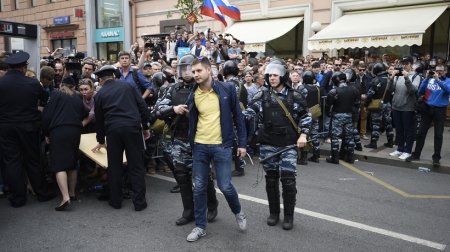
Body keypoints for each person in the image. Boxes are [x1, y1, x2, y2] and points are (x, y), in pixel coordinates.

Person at [186, 57, 247, 242]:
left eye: (198, 71)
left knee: (225, 185)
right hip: (200, 146)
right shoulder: (193, 93)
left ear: (209, 71)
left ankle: (238, 212)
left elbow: (238, 117)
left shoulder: (227, 89)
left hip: (222, 145)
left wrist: (242, 144)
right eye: (193, 71)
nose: (195, 74)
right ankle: (200, 226)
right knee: (199, 187)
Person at [244, 61, 311, 230]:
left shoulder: (294, 96)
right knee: (271, 180)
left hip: (288, 144)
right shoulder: (261, 95)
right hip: (268, 144)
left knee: (288, 181)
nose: (272, 78)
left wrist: (303, 134)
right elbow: (249, 112)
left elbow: (306, 117)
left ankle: (289, 216)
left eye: (275, 75)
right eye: (269, 75)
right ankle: (274, 213)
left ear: (282, 76)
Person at [156, 54, 218, 226]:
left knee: (203, 177)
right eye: (183, 69)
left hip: (201, 140)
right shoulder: (173, 89)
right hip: (179, 140)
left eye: (190, 69)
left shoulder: (206, 88)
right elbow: (157, 110)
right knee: (182, 176)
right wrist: (173, 109)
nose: (187, 72)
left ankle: (212, 206)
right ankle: (188, 211)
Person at [91, 65, 151, 211]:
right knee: (136, 166)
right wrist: (146, 126)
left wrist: (100, 140)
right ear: (114, 76)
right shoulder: (128, 86)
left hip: (113, 131)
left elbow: (99, 120)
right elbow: (142, 106)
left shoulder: (99, 94)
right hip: (132, 128)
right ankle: (139, 203)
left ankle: (116, 201)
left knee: (114, 167)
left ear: (100, 79)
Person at [0, 52, 56, 208]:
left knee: (12, 162)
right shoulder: (31, 84)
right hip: (28, 127)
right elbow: (44, 100)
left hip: (6, 128)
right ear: (24, 67)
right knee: (32, 160)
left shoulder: (1, 83)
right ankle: (42, 193)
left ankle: (18, 198)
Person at [42, 77, 87, 211]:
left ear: (62, 85)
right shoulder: (77, 97)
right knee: (72, 163)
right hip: (75, 131)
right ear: (73, 87)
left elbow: (47, 116)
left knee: (59, 165)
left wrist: (46, 133)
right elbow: (83, 114)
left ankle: (65, 197)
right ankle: (72, 193)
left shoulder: (55, 94)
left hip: (58, 131)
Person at [407, 64, 450, 168]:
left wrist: (438, 80)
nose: (438, 72)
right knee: (421, 133)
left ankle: (436, 158)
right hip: (428, 108)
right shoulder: (430, 80)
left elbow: (448, 90)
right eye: (437, 70)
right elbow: (420, 91)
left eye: (441, 71)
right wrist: (426, 78)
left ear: (445, 71)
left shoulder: (447, 80)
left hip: (440, 110)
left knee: (438, 135)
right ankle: (416, 154)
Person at [388, 56, 421, 160]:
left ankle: (407, 151)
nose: (404, 66)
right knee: (399, 129)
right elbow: (390, 89)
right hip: (396, 106)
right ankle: (400, 149)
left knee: (408, 130)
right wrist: (391, 78)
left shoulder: (416, 76)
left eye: (406, 64)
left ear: (411, 64)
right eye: (403, 63)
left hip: (408, 108)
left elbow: (412, 90)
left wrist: (407, 77)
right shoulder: (398, 75)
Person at [326, 71, 360, 164]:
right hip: (349, 115)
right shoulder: (354, 90)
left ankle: (335, 157)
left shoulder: (334, 91)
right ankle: (350, 157)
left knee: (335, 137)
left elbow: (328, 105)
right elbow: (357, 104)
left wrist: (329, 113)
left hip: (337, 115)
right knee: (349, 136)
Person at [223, 60, 248, 176]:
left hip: (231, 116)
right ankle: (239, 166)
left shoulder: (228, 84)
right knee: (238, 141)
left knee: (235, 141)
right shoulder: (241, 84)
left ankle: (239, 168)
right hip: (241, 114)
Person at [364, 63, 394, 149]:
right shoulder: (389, 79)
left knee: (375, 124)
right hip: (387, 104)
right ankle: (390, 141)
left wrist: (366, 105)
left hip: (377, 105)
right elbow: (392, 92)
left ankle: (373, 142)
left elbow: (370, 94)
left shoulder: (376, 80)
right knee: (388, 123)